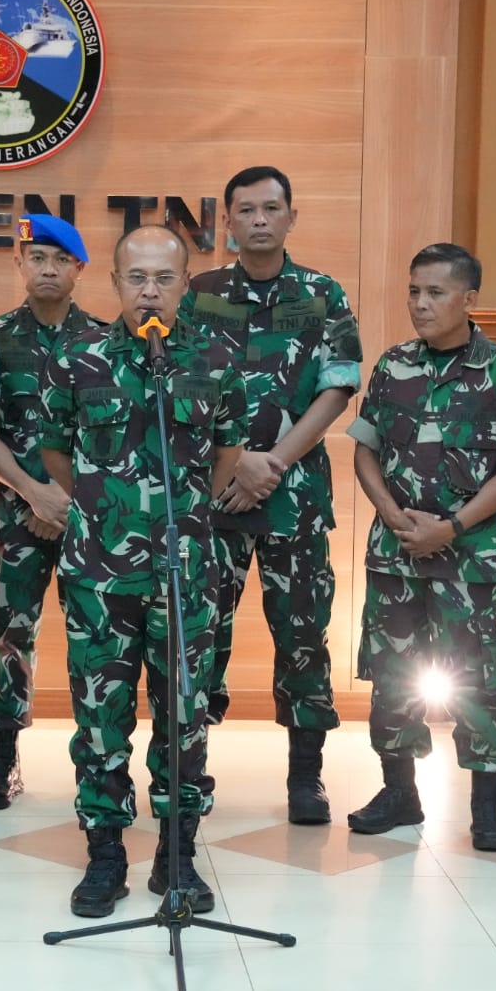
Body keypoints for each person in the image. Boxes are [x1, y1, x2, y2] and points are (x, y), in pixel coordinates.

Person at [40, 225, 246, 918]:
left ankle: (176, 854)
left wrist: (176, 517)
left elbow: (226, 457)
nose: (150, 290)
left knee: (184, 716)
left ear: (186, 284)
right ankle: (104, 853)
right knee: (100, 717)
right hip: (100, 573)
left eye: (164, 277)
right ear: (116, 282)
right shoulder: (79, 359)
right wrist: (109, 511)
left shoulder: (217, 359)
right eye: (136, 278)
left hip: (186, 571)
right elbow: (56, 454)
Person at [343, 243, 496, 852]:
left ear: (469, 298)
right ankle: (400, 793)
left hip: (469, 557)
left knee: (477, 678)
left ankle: (487, 806)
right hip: (396, 550)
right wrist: (391, 515)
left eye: (434, 292)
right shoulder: (392, 365)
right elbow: (365, 449)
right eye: (413, 291)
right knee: (392, 674)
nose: (421, 304)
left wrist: (450, 527)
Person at [179, 165, 361, 824]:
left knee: (305, 635)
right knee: (197, 638)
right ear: (226, 221)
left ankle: (306, 778)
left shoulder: (321, 294)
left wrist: (274, 462)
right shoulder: (199, 295)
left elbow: (339, 387)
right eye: (245, 210)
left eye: (271, 208)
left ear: (292, 216)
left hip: (295, 498)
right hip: (213, 502)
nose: (258, 219)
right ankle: (189, 773)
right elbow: (183, 392)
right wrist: (231, 468)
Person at [0, 214, 107, 809]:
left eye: (60, 259)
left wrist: (66, 503)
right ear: (17, 263)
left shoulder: (104, 340)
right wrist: (33, 493)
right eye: (36, 257)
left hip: (90, 523)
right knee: (9, 635)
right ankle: (2, 758)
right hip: (16, 519)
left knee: (97, 641)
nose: (47, 269)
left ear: (79, 268)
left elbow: (109, 440)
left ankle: (98, 760)